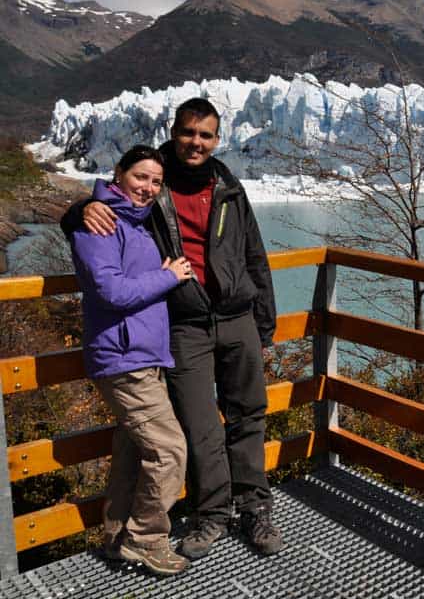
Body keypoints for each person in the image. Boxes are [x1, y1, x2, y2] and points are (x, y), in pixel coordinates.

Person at [62, 99, 282, 559]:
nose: (196, 142)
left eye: (206, 135)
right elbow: (116, 201)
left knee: (248, 416)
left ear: (217, 139)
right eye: (188, 132)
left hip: (237, 317)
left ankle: (255, 507)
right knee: (200, 427)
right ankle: (212, 514)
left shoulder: (229, 185)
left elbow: (254, 254)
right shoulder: (154, 181)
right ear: (174, 131)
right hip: (184, 325)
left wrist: (263, 321)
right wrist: (78, 209)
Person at [70, 145, 193, 575]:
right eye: (141, 177)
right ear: (119, 173)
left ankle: (117, 539)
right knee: (170, 451)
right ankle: (146, 540)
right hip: (124, 359)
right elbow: (112, 292)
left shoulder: (133, 223)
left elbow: (130, 282)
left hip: (141, 355)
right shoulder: (101, 224)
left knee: (133, 453)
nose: (148, 188)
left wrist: (157, 273)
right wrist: (168, 276)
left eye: (156, 182)